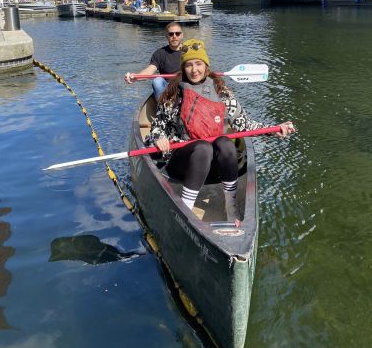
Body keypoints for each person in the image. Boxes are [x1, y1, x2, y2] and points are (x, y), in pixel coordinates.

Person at [147, 39, 294, 220]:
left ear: (206, 66)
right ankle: (185, 209)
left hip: (216, 166)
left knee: (225, 142)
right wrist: (159, 137)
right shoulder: (174, 93)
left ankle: (230, 205)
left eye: (199, 64)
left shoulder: (222, 93)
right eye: (189, 65)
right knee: (203, 147)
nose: (194, 70)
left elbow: (245, 125)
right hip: (184, 162)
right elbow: (157, 126)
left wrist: (273, 129)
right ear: (183, 68)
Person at [124, 22, 184, 100]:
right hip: (167, 87)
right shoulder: (159, 53)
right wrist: (136, 77)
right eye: (171, 34)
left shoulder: (189, 51)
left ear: (182, 35)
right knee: (157, 81)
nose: (174, 36)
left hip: (185, 84)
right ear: (166, 36)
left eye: (177, 33)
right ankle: (162, 106)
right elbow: (150, 71)